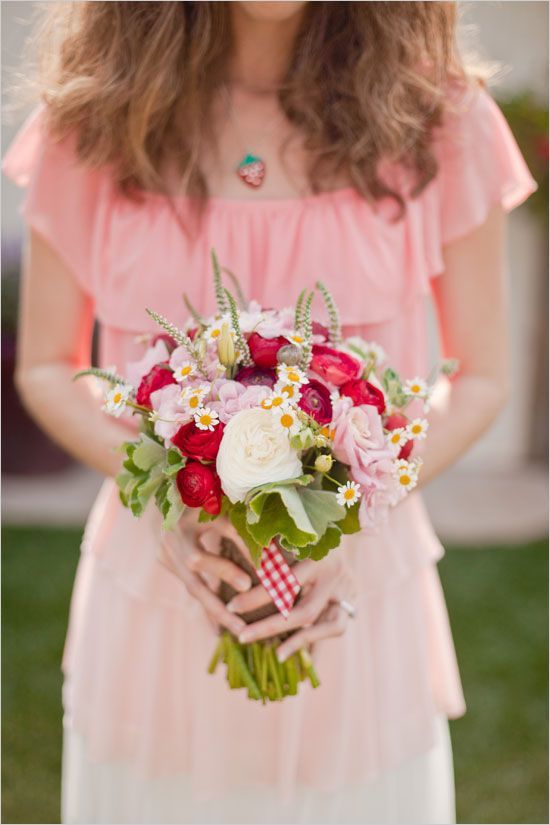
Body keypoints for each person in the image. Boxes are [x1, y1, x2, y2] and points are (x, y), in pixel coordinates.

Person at [4, 2, 536, 823]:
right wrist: (180, 498)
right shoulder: (94, 113)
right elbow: (48, 364)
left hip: (353, 590)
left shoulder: (442, 118)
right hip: (161, 584)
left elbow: (479, 379)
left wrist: (348, 514)